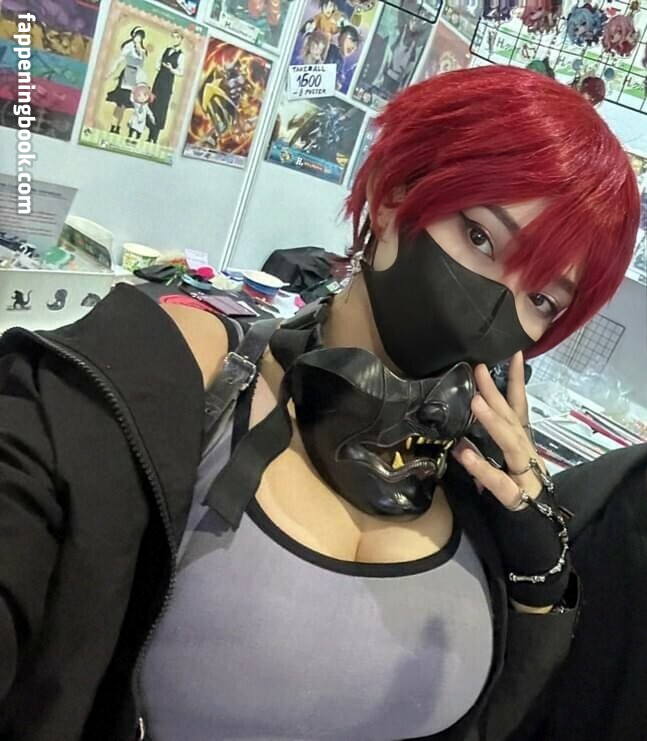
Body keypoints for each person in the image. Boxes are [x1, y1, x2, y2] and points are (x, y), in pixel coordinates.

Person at [0, 66, 644, 741]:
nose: (493, 309)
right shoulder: (182, 373)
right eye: (480, 237)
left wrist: (539, 583)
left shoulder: (487, 496)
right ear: (393, 197)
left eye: (541, 299)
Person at [105, 26, 148, 135]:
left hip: (135, 79)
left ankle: (118, 127)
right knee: (120, 104)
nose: (138, 38)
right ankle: (113, 126)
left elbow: (142, 63)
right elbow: (119, 60)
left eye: (140, 37)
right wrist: (110, 73)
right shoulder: (128, 46)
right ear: (133, 36)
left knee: (125, 105)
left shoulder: (142, 50)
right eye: (137, 36)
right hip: (126, 77)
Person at [148, 31, 185, 145]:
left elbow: (181, 72)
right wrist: (159, 66)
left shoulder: (181, 55)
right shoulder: (166, 50)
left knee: (161, 108)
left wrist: (171, 69)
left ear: (180, 39)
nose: (175, 39)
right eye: (173, 37)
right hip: (158, 81)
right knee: (153, 105)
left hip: (167, 84)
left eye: (177, 38)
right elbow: (158, 63)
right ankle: (149, 135)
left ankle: (155, 137)